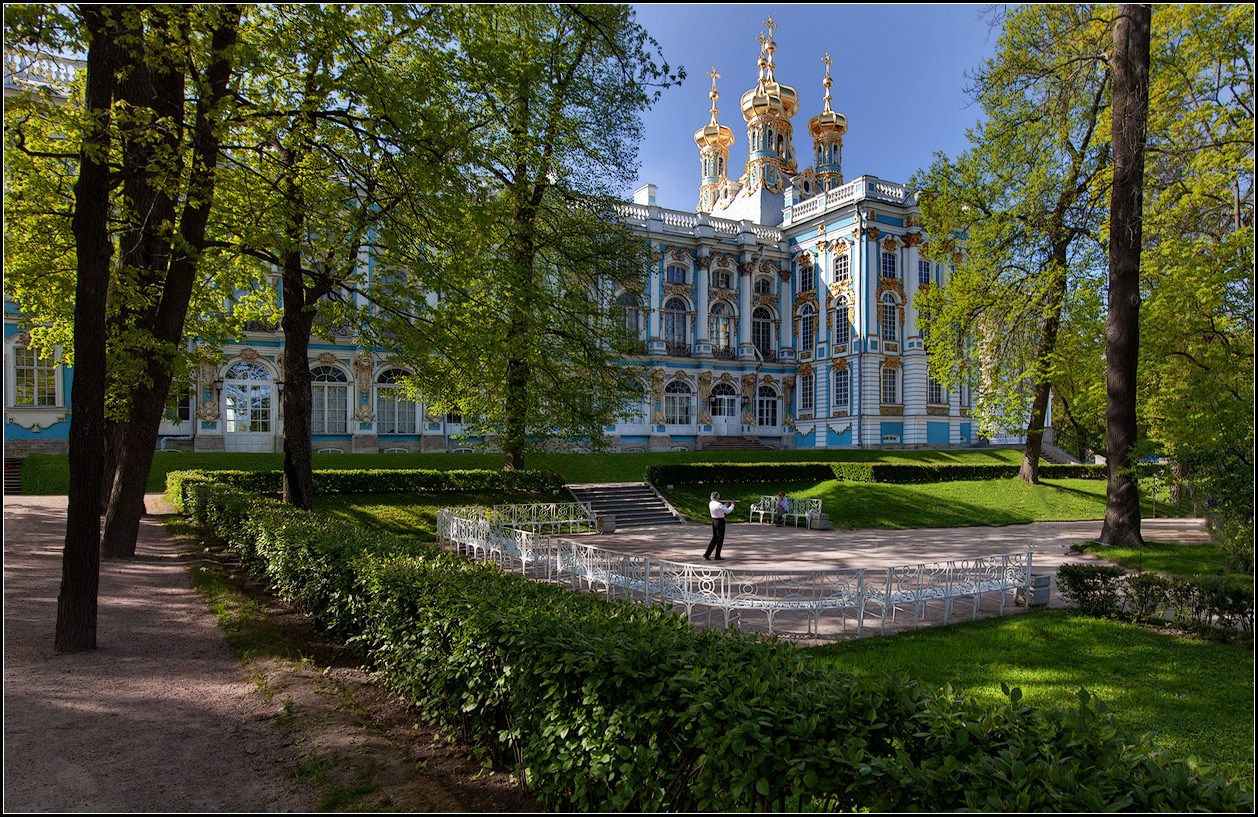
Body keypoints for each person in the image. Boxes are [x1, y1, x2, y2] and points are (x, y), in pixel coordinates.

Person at [704, 491, 736, 561]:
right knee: (720, 539)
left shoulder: (711, 503)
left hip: (714, 521)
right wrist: (732, 505)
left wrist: (725, 505)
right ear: (717, 497)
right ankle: (717, 555)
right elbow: (727, 511)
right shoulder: (718, 504)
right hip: (720, 522)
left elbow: (720, 509)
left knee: (714, 538)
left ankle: (707, 553)